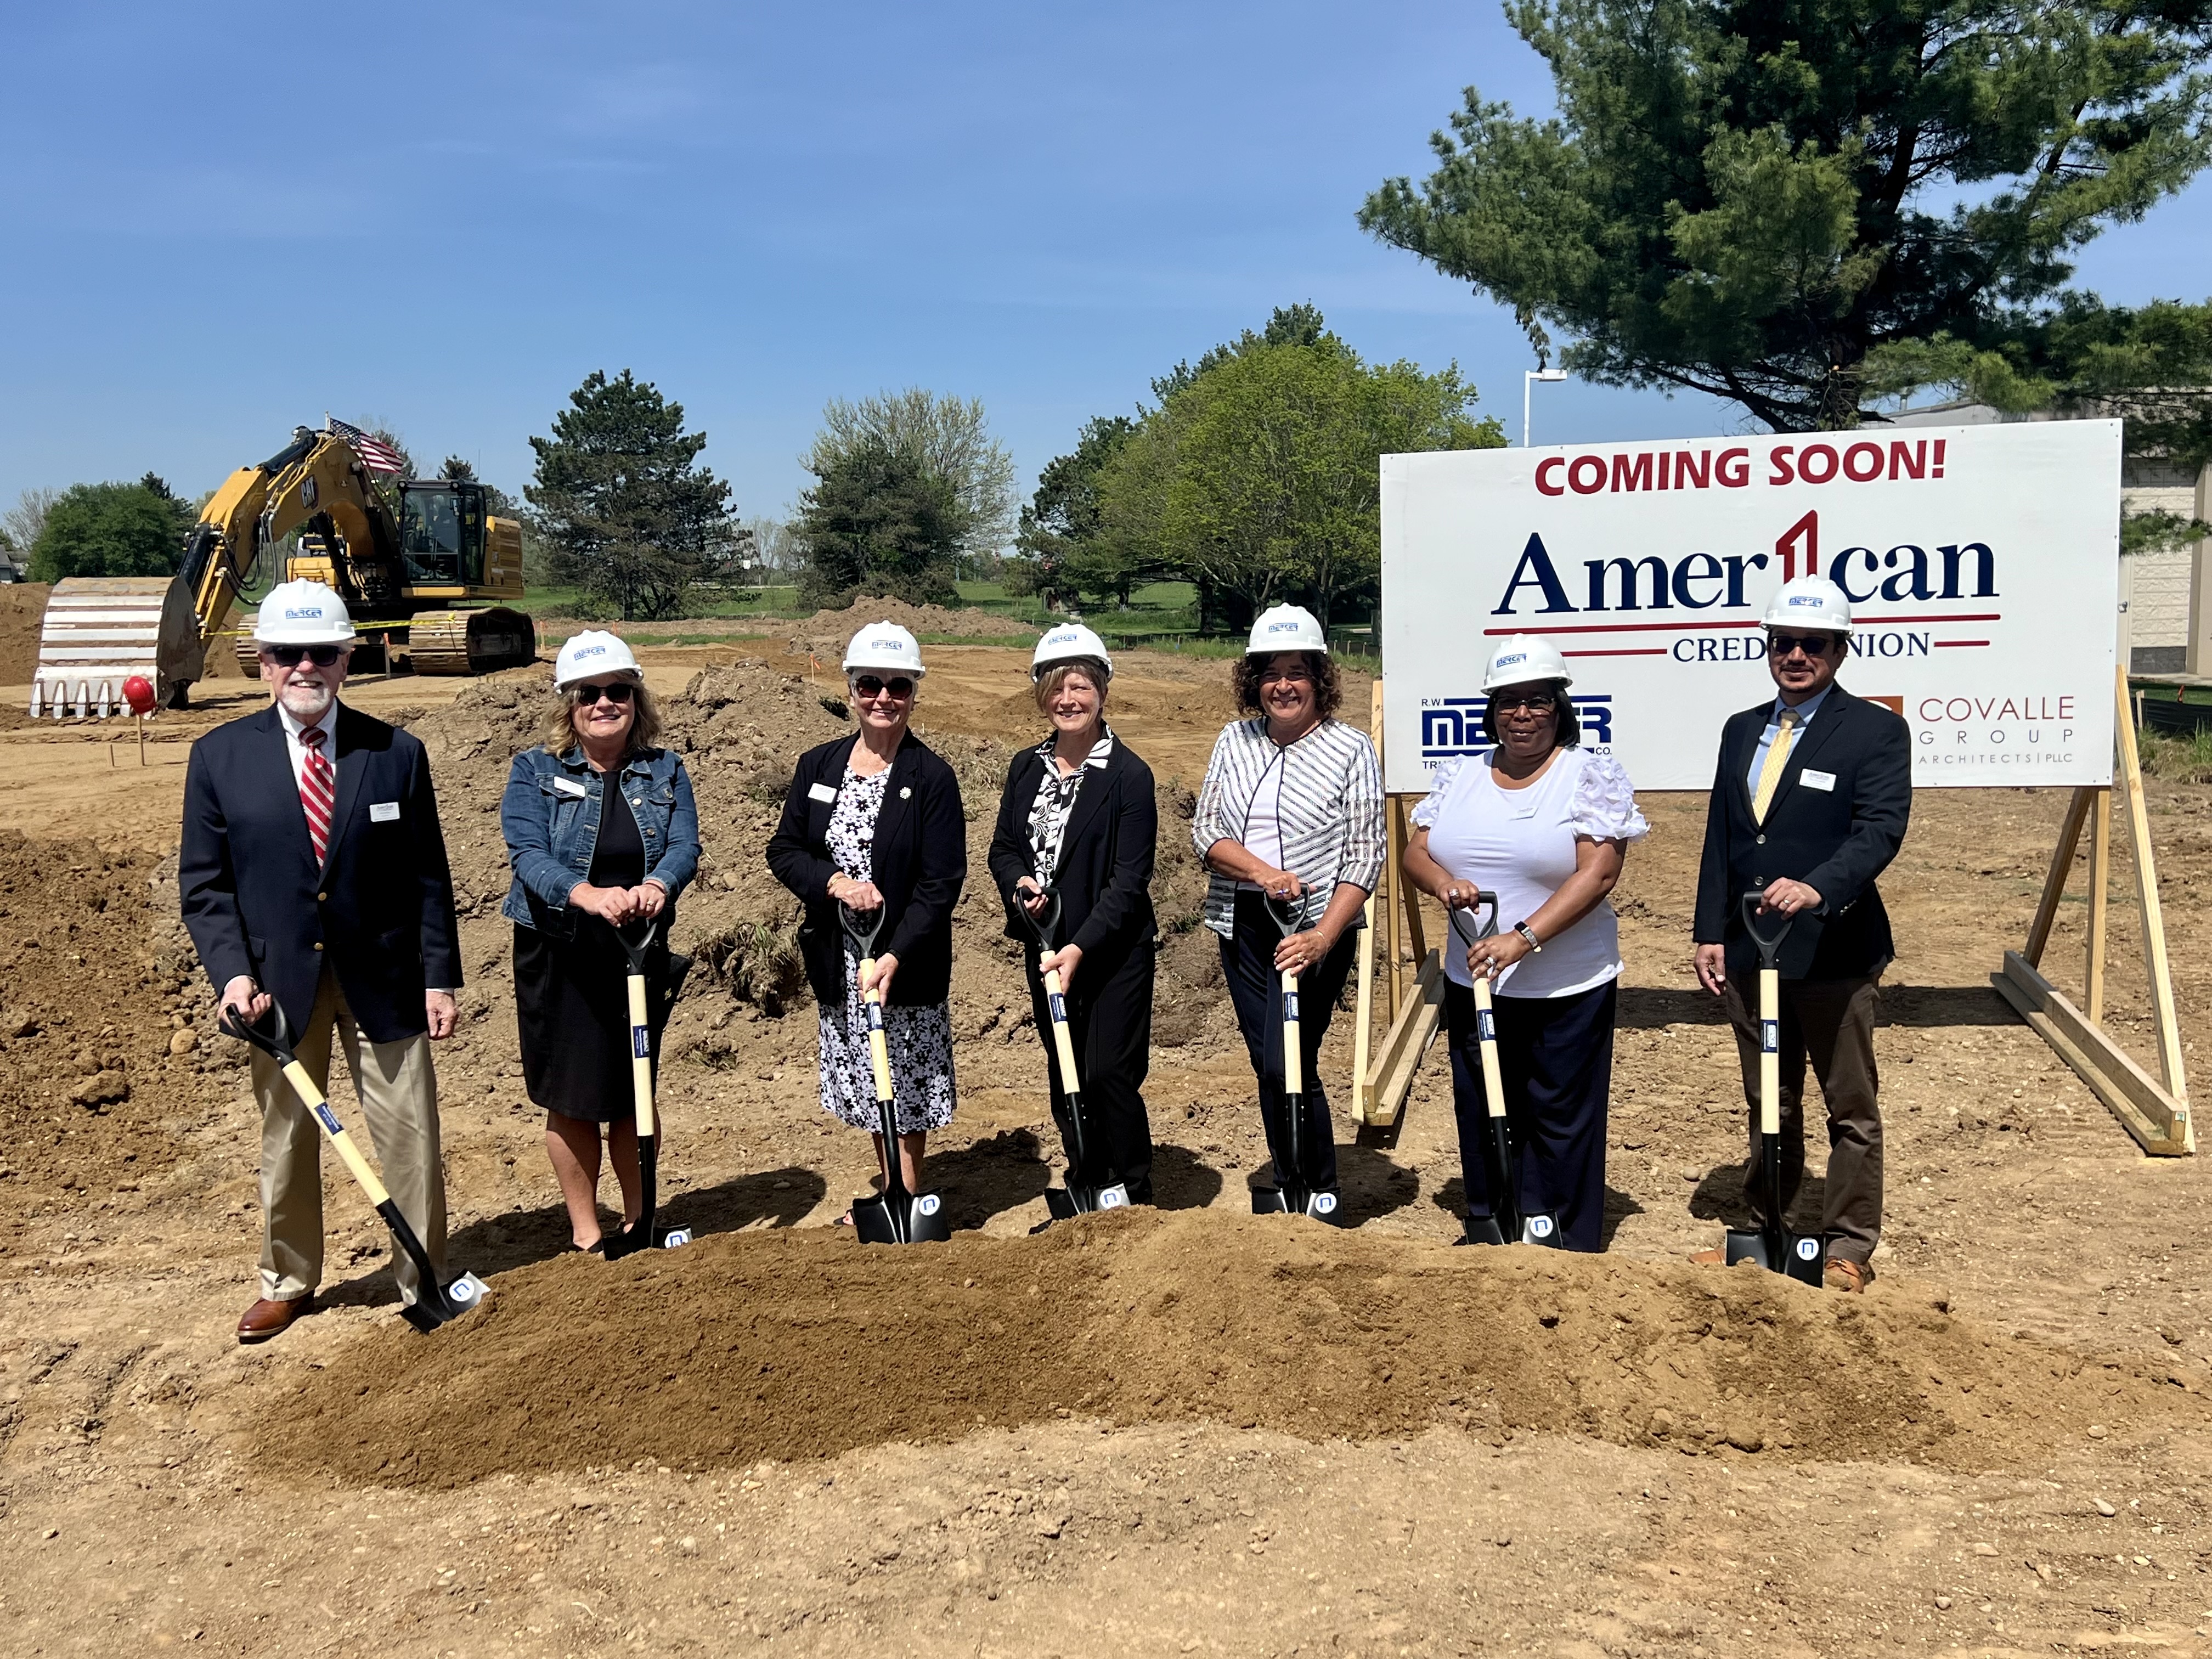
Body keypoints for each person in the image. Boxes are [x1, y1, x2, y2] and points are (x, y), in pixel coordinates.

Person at [179, 580, 462, 1342]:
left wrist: (439, 975)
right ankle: (289, 1278)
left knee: (410, 1135)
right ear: (263, 664)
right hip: (275, 990)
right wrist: (233, 975)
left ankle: (423, 1275)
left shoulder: (396, 754)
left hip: (386, 976)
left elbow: (428, 876)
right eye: (287, 654)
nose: (305, 667)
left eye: (322, 654)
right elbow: (206, 887)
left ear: (346, 660)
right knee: (288, 1138)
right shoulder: (218, 758)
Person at [1692, 575, 1911, 1293]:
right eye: (1782, 642)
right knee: (1768, 1098)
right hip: (1749, 947)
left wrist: (1820, 885)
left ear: (1840, 650)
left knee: (1849, 1106)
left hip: (1835, 954)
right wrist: (1709, 931)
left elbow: (1881, 829)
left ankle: (1847, 1245)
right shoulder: (1736, 728)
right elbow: (1725, 838)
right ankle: (1760, 1229)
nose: (1795, 655)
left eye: (1811, 644)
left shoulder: (1875, 730)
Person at [1401, 636, 1647, 1250]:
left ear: (1560, 708)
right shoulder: (1460, 774)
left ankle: (1558, 1231)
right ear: (1491, 710)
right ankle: (1492, 1220)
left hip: (1564, 982)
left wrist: (1524, 937)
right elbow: (1416, 853)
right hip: (1474, 978)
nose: (1522, 715)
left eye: (1537, 701)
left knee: (1559, 1116)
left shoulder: (1589, 773)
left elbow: (1599, 873)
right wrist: (1444, 883)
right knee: (1484, 1105)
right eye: (1508, 702)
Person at [500, 631, 700, 1252]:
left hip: (636, 950)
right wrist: (584, 893)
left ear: (636, 700)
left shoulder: (663, 770)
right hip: (560, 950)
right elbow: (526, 852)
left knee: (633, 1086)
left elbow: (684, 846)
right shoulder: (534, 770)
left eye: (619, 691)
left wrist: (659, 885)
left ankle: (641, 1220)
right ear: (570, 703)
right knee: (572, 1095)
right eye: (591, 693)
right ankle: (587, 1234)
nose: (605, 703)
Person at [767, 622, 967, 1216]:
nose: (884, 698)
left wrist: (894, 956)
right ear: (850, 690)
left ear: (914, 693)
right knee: (868, 1076)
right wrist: (832, 883)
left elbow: (941, 883)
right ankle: (888, 1186)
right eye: (871, 685)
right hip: (841, 956)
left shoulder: (932, 778)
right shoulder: (819, 766)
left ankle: (907, 1191)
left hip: (905, 956)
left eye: (898, 686)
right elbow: (786, 851)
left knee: (905, 1076)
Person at [1192, 604, 1385, 1204]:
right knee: (1268, 1062)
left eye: (1296, 672)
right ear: (1254, 682)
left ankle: (1318, 1188)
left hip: (1315, 925)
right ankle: (1287, 1183)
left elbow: (1364, 853)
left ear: (1319, 678)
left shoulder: (1351, 749)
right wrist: (1262, 873)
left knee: (1287, 1060)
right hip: (1244, 920)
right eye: (1270, 673)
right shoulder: (1236, 739)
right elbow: (1206, 832)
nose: (1282, 685)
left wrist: (1324, 936)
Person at [987, 623, 1160, 1204]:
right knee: (1066, 1076)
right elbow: (1003, 848)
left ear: (1103, 691)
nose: (1069, 700)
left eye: (1081, 686)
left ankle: (1132, 1191)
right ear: (1043, 696)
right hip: (1046, 948)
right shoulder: (1025, 768)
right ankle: (1086, 1181)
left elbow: (1129, 881)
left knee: (1108, 1073)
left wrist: (1079, 948)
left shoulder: (1130, 777)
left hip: (1110, 952)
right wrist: (1020, 885)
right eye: (1058, 688)